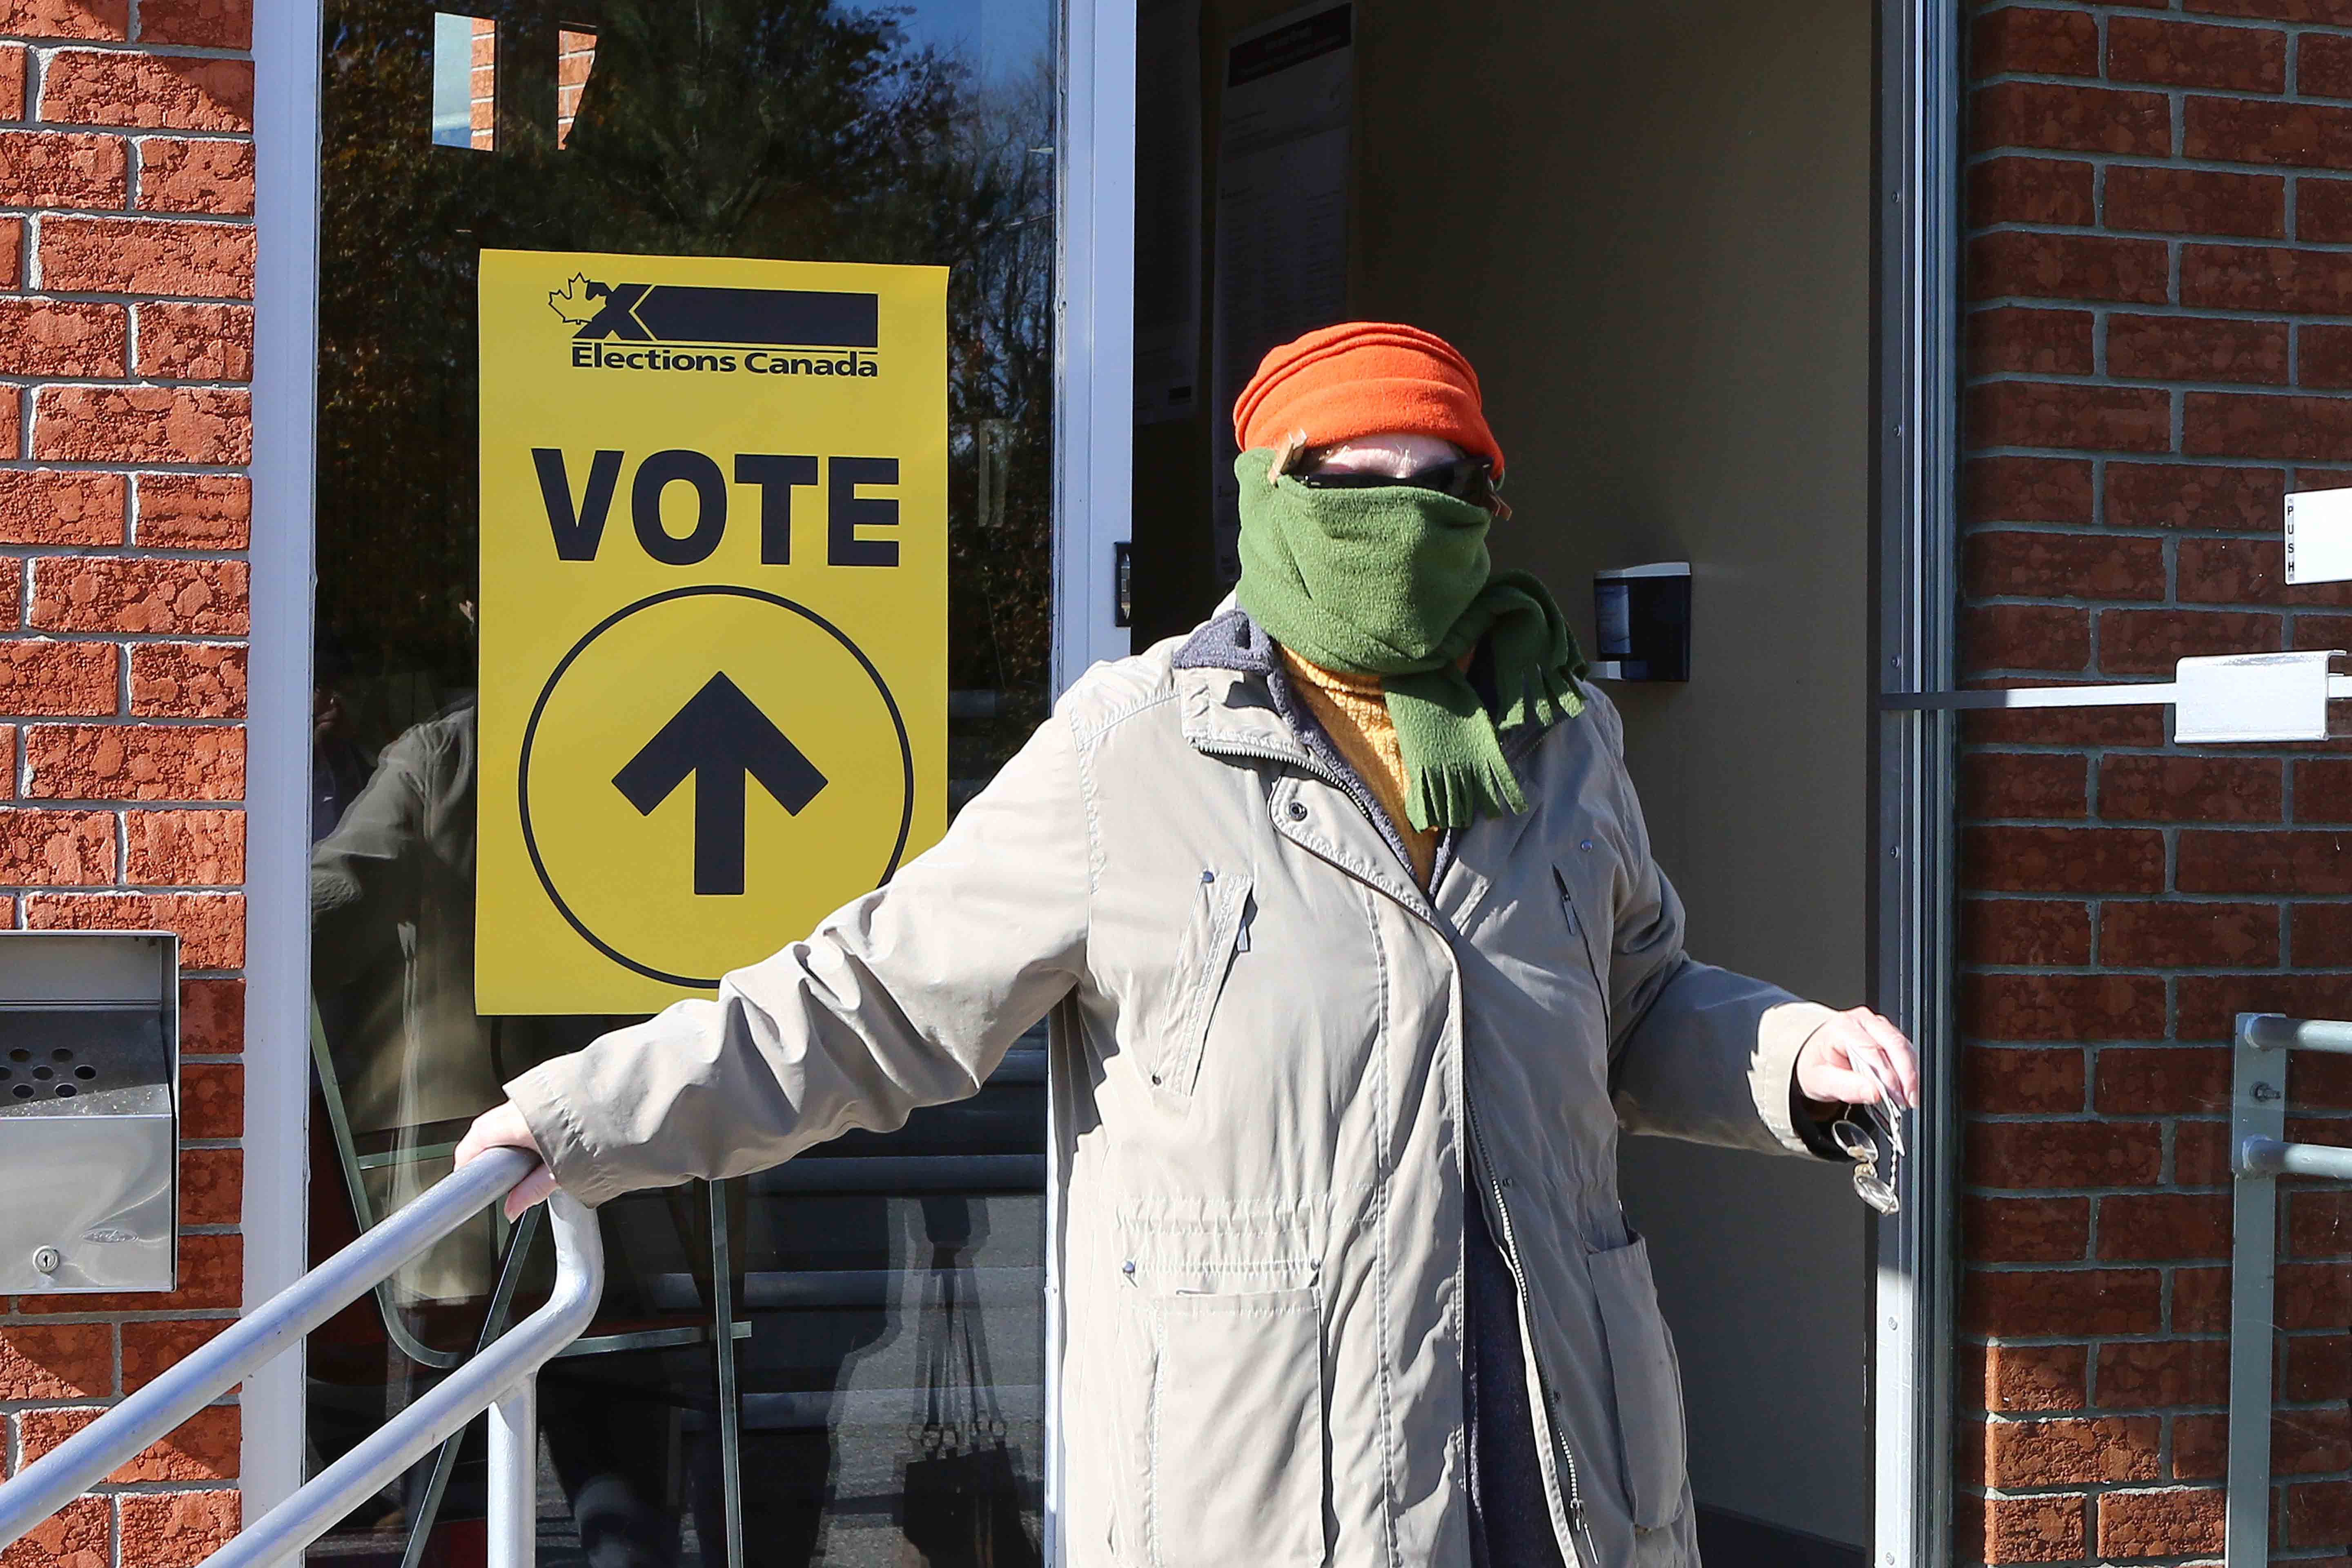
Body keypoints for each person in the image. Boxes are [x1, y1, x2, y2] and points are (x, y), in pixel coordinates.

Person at [457, 321, 1921, 1568]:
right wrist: (574, 1123)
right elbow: (870, 1000)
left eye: (1448, 482)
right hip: (1266, 1492)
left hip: (1559, 1472)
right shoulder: (1136, 748)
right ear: (1271, 495)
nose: (1407, 516)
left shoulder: (1560, 741)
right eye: (1357, 479)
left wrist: (1794, 1056)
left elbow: (1636, 1002)